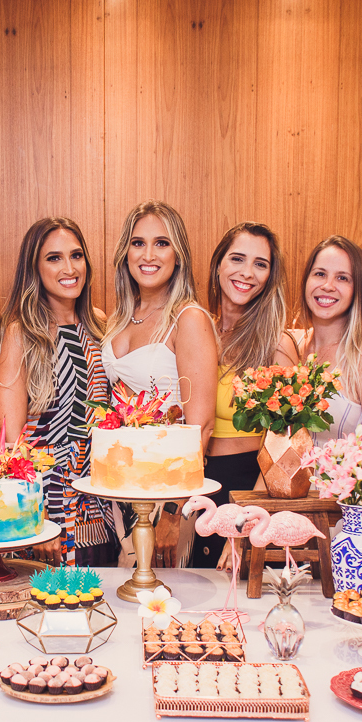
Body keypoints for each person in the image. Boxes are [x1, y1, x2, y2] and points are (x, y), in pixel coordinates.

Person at [0, 217, 118, 566]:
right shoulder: (21, 333)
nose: (69, 268)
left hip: (98, 494)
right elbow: (10, 439)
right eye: (54, 258)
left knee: (100, 590)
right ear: (34, 268)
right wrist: (39, 516)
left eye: (76, 255)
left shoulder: (99, 323)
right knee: (53, 594)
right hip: (47, 496)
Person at [101, 200, 218, 568]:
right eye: (138, 243)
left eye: (162, 243)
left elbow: (201, 426)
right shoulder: (119, 318)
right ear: (125, 252)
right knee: (123, 587)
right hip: (120, 485)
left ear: (178, 255)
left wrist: (172, 512)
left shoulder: (188, 318)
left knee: (161, 592)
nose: (148, 255)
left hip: (167, 489)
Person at [196, 222, 293, 569]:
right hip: (201, 484)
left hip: (250, 487)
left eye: (260, 264)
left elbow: (286, 447)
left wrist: (247, 521)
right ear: (218, 265)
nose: (247, 272)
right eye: (237, 259)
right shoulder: (198, 331)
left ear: (269, 277)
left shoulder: (276, 344)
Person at [296, 235, 362, 446]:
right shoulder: (294, 346)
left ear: (358, 290)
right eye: (320, 274)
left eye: (342, 278)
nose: (328, 286)